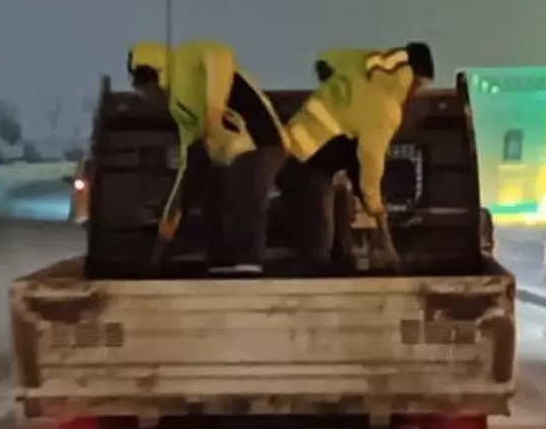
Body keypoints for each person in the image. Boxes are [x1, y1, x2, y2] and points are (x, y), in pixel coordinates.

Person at [127, 41, 286, 274]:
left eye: (148, 91)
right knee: (214, 198)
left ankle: (248, 263)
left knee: (245, 195)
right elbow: (187, 161)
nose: (149, 99)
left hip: (262, 141)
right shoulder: (179, 108)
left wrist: (214, 109)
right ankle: (221, 264)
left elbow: (220, 55)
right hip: (230, 152)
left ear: (156, 74)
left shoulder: (186, 59)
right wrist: (172, 212)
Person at [280, 43, 435, 271]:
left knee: (332, 223)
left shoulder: (362, 66)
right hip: (305, 161)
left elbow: (326, 59)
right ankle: (314, 291)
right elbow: (370, 161)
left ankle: (334, 270)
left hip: (288, 150)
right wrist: (375, 206)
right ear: (412, 77)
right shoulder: (386, 108)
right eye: (420, 86)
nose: (417, 93)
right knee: (319, 237)